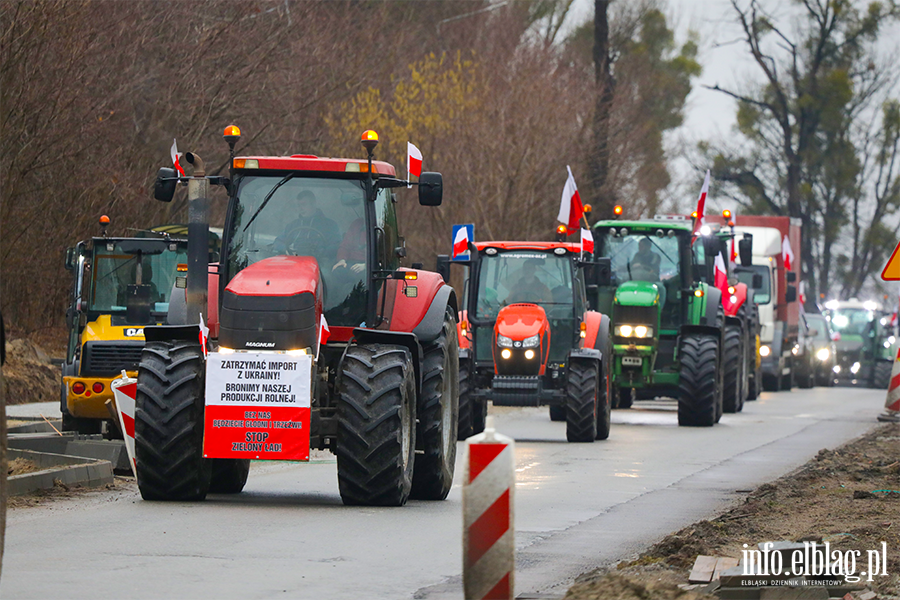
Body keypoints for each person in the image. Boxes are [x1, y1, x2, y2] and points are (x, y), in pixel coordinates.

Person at [274, 190, 340, 261]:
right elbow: (278, 241)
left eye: (304, 205)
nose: (300, 209)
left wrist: (321, 253)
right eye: (298, 206)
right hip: (296, 261)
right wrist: (286, 250)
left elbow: (336, 245)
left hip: (320, 263)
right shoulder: (293, 225)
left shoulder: (329, 225)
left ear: (313, 204)